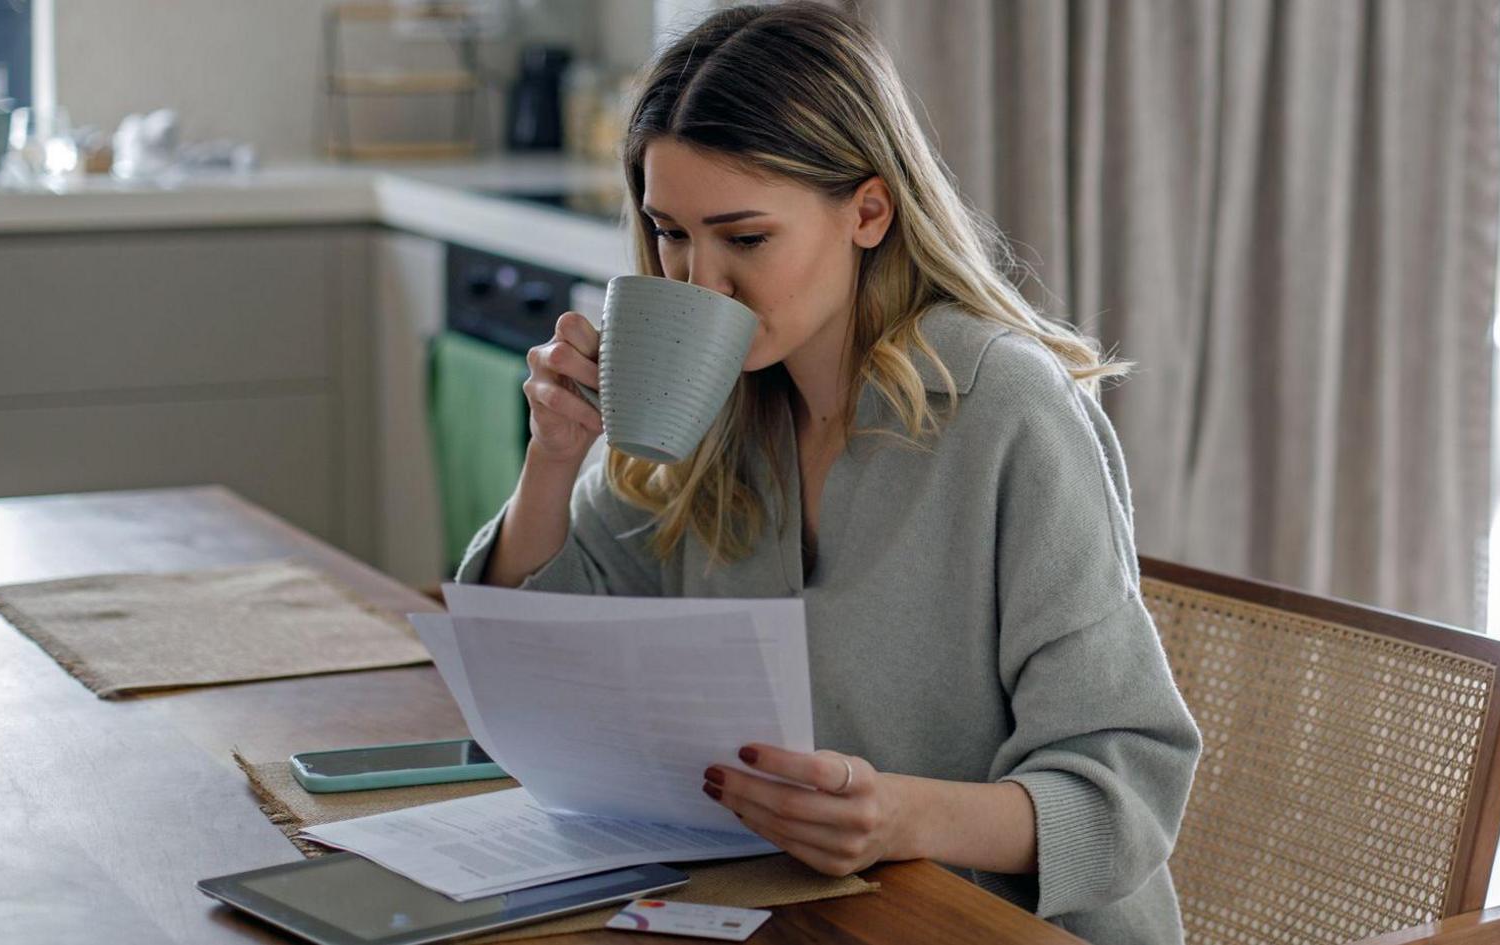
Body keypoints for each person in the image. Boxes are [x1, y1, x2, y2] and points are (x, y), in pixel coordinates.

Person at [456, 3, 1202, 942]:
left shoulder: (1007, 409)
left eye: (745, 238)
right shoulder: (715, 401)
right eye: (670, 234)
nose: (697, 284)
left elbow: (1126, 781)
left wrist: (895, 816)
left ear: (869, 210)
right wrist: (553, 463)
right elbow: (537, 661)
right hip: (784, 914)